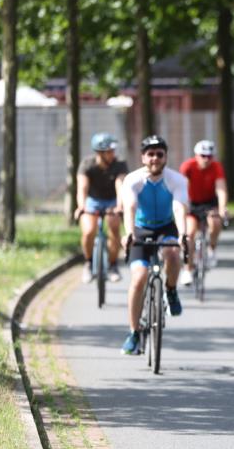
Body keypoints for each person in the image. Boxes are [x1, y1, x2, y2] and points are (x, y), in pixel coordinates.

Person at [119, 135, 190, 355]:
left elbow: (179, 208)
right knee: (139, 277)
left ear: (166, 157)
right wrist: (130, 233)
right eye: (150, 154)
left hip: (167, 227)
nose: (155, 158)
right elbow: (129, 207)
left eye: (160, 154)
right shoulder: (132, 180)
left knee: (172, 254)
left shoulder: (177, 179)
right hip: (141, 229)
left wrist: (184, 234)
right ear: (142, 157)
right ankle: (133, 332)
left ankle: (170, 290)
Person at [75, 133, 129, 283]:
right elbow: (82, 188)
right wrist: (81, 206)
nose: (113, 154)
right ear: (100, 152)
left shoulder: (120, 164)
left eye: (113, 150)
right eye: (109, 151)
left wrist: (119, 205)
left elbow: (120, 185)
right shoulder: (87, 164)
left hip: (112, 201)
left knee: (114, 227)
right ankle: (88, 262)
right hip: (92, 201)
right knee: (88, 231)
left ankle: (113, 265)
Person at [178, 139, 228, 285]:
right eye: (203, 156)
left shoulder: (216, 167)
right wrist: (182, 205)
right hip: (191, 203)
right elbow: (182, 185)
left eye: (209, 156)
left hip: (209, 203)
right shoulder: (188, 166)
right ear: (196, 155)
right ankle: (187, 269)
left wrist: (222, 207)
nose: (206, 159)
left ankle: (211, 249)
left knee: (216, 222)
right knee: (189, 234)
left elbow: (221, 188)